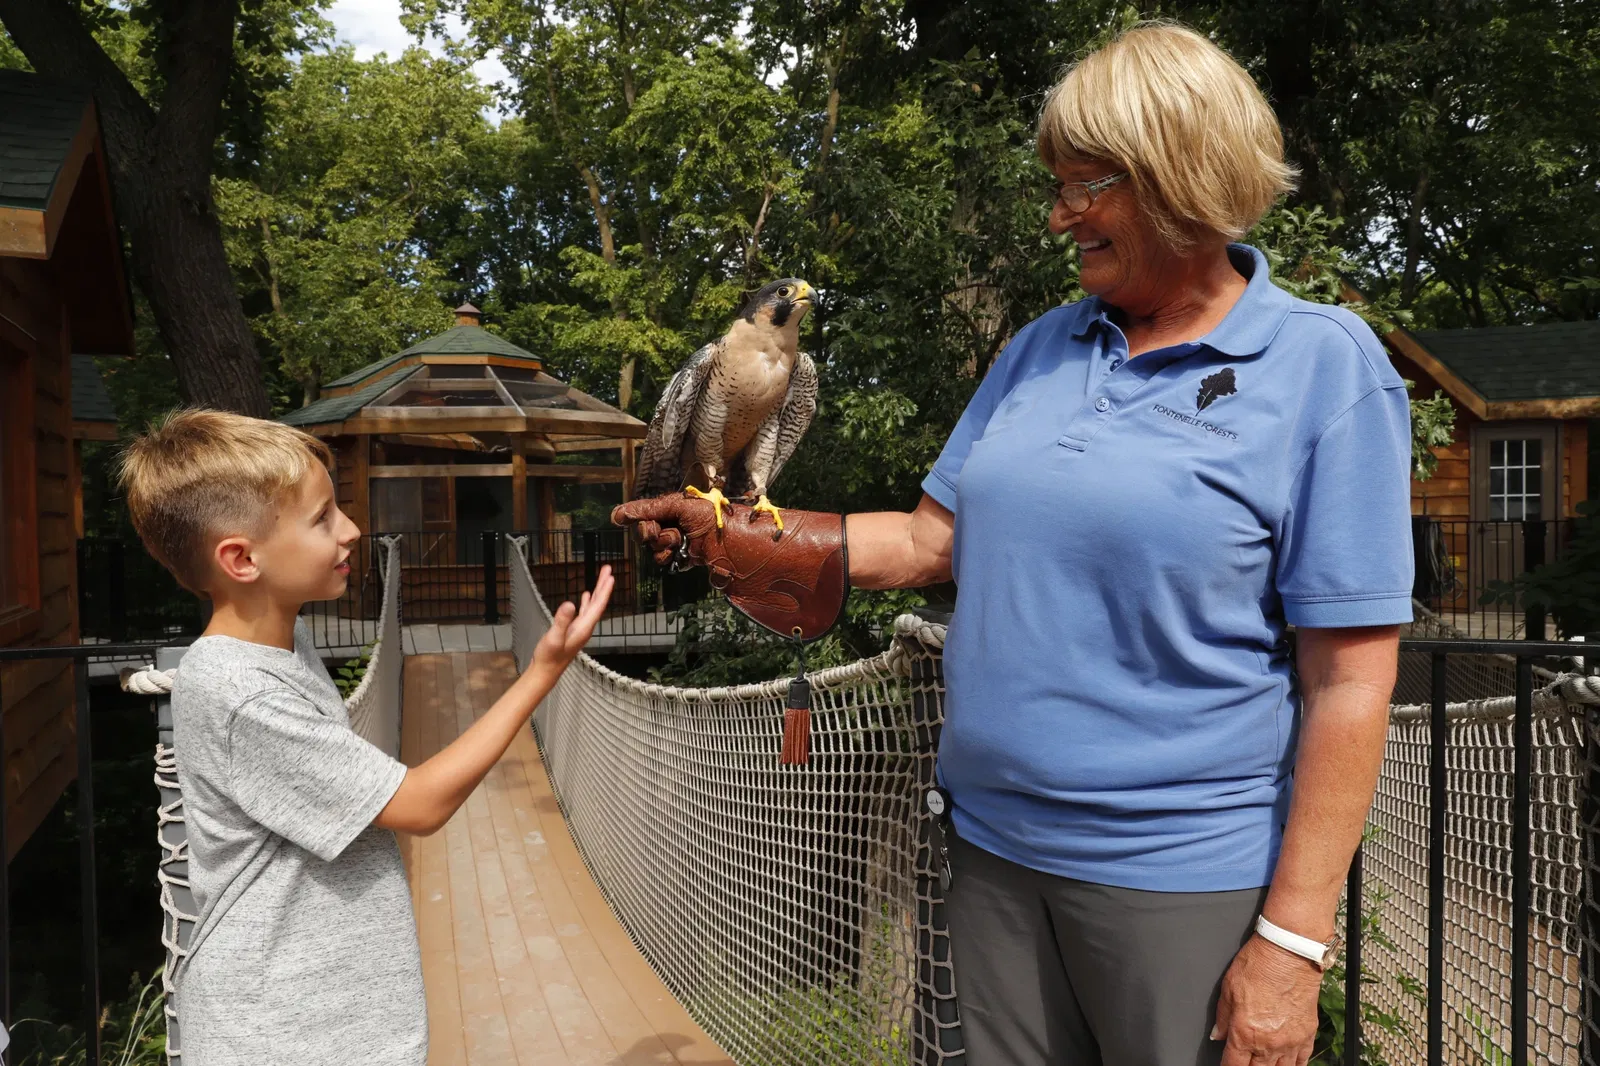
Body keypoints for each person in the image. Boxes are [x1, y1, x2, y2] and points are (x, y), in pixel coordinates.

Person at [613, 21, 1412, 1066]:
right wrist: (745, 532)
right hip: (985, 855)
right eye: (1057, 185)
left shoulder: (1320, 366)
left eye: (1084, 186)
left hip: (1176, 878)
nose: (1056, 215)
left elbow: (1351, 681)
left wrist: (1293, 939)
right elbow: (930, 538)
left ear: (1179, 174)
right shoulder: (1042, 347)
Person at [118, 408, 613, 1065]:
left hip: (326, 1028)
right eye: (322, 518)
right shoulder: (243, 692)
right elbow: (417, 805)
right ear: (241, 559)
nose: (351, 530)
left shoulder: (286, 642)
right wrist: (541, 671)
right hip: (288, 1041)